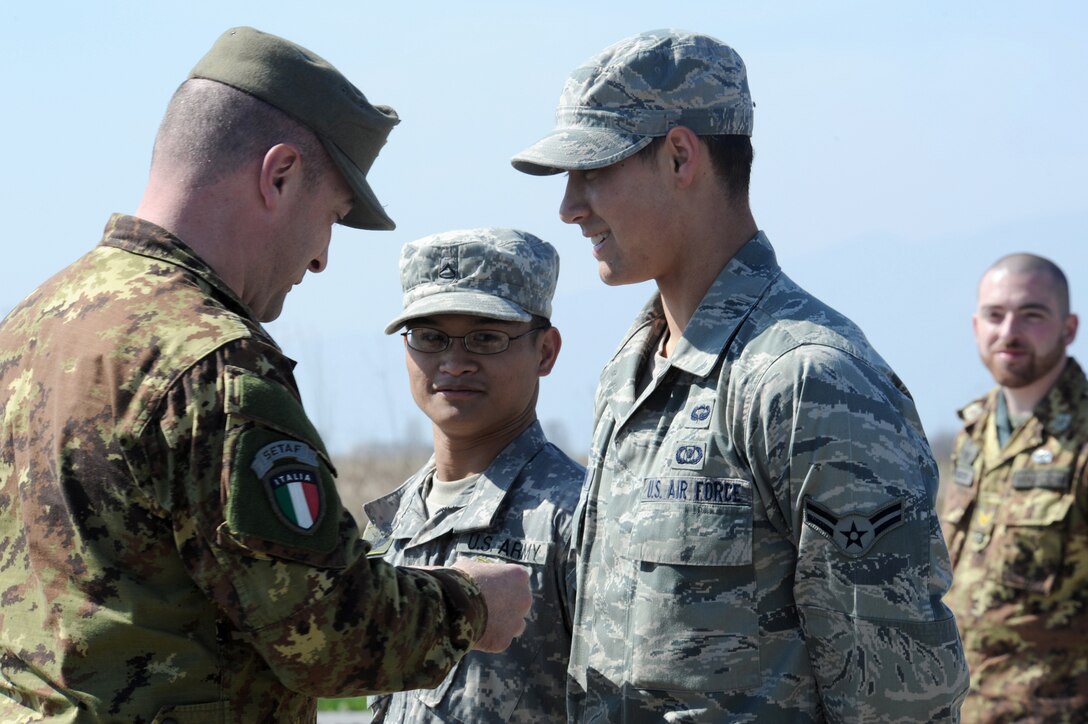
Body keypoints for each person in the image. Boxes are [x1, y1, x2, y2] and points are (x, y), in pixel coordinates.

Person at [0, 27, 531, 722]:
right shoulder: (212, 363)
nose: (321, 258)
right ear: (278, 175)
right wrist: (473, 603)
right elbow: (329, 633)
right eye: (332, 215)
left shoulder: (30, 327)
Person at [511, 29, 969, 721]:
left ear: (679, 156)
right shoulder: (633, 370)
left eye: (593, 171)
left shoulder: (807, 380)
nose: (570, 207)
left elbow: (897, 696)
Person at [363, 227, 584, 722]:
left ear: (545, 352)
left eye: (486, 337)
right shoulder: (391, 523)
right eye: (429, 337)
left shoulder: (578, 517)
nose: (454, 362)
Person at [940, 253, 1088, 721]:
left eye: (1032, 315)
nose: (1009, 331)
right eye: (995, 315)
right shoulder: (973, 434)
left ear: (1068, 328)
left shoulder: (1082, 441)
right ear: (976, 327)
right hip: (963, 707)